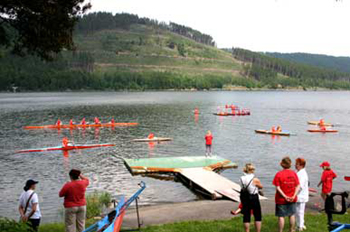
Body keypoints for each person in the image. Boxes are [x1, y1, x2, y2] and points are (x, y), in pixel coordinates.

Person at [273, 156, 300, 232]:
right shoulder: (294, 173)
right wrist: (294, 195)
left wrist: (285, 196)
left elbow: (278, 187)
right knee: (292, 214)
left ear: (282, 164)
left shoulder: (279, 174)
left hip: (281, 199)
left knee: (281, 216)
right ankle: (291, 229)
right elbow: (298, 185)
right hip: (292, 198)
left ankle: (280, 231)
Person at [240, 163, 263, 232]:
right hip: (253, 197)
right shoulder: (255, 179)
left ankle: (247, 230)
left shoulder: (241, 178)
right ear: (252, 170)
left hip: (245, 197)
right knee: (257, 215)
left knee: (246, 215)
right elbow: (261, 187)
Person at [295, 158, 309, 231]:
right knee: (298, 211)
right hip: (299, 196)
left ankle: (300, 226)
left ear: (301, 165)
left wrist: (294, 194)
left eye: (297, 164)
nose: (295, 165)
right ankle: (300, 224)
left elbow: (300, 186)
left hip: (301, 196)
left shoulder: (302, 174)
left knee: (300, 211)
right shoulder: (299, 172)